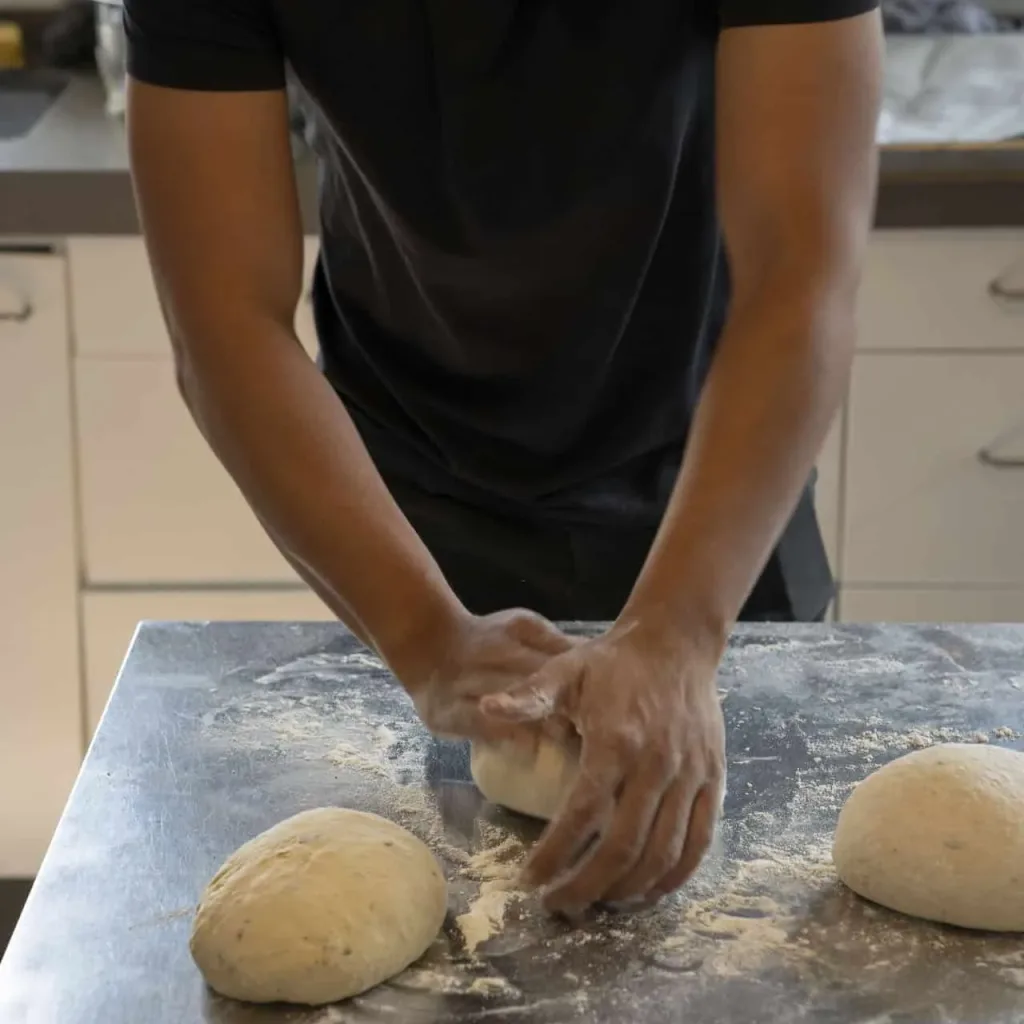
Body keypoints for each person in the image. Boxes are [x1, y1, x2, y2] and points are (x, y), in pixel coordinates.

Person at [124, 0, 883, 917]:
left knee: (750, 927)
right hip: (404, 519)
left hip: (716, 495)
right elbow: (223, 324)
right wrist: (423, 635)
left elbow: (801, 271)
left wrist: (681, 633)